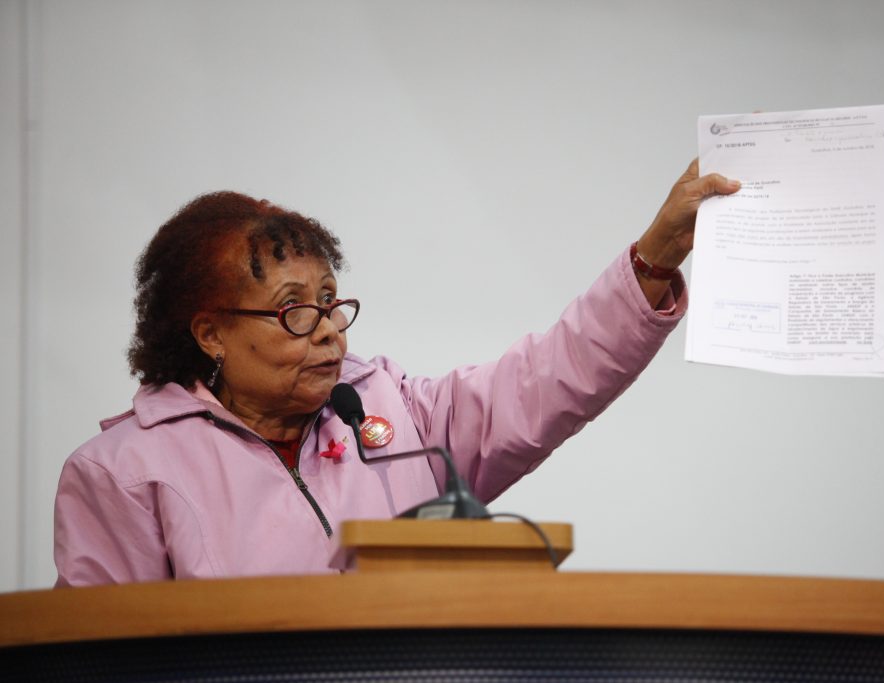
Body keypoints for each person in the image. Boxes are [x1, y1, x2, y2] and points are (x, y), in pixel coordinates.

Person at [53, 159, 740, 586]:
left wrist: (653, 258)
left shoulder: (392, 413)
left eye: (330, 300)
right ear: (211, 333)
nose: (329, 326)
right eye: (294, 309)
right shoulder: (124, 472)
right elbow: (102, 654)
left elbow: (548, 378)